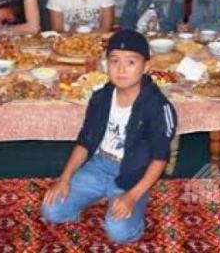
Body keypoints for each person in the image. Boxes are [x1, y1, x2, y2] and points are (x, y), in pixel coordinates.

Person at [42, 29, 177, 244]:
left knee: (120, 232)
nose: (121, 69)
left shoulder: (158, 107)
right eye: (114, 61)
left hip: (133, 172)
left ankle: (135, 199)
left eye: (130, 62)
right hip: (100, 164)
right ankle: (99, 193)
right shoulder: (101, 97)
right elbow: (84, 142)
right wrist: (64, 179)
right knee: (51, 210)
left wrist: (132, 196)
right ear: (107, 65)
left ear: (146, 67)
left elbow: (160, 158)